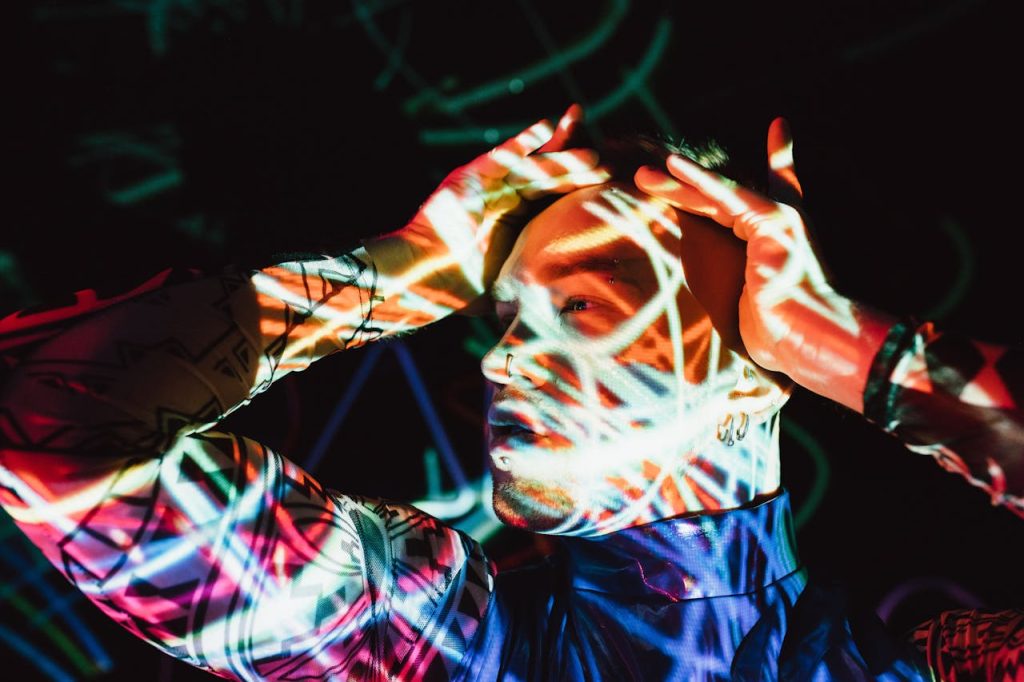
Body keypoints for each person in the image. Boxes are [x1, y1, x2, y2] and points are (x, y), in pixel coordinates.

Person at [0, 104, 1019, 681]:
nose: (498, 361)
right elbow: (49, 422)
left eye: (579, 310)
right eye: (499, 319)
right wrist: (402, 271)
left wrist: (858, 352)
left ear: (758, 376)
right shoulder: (447, 646)